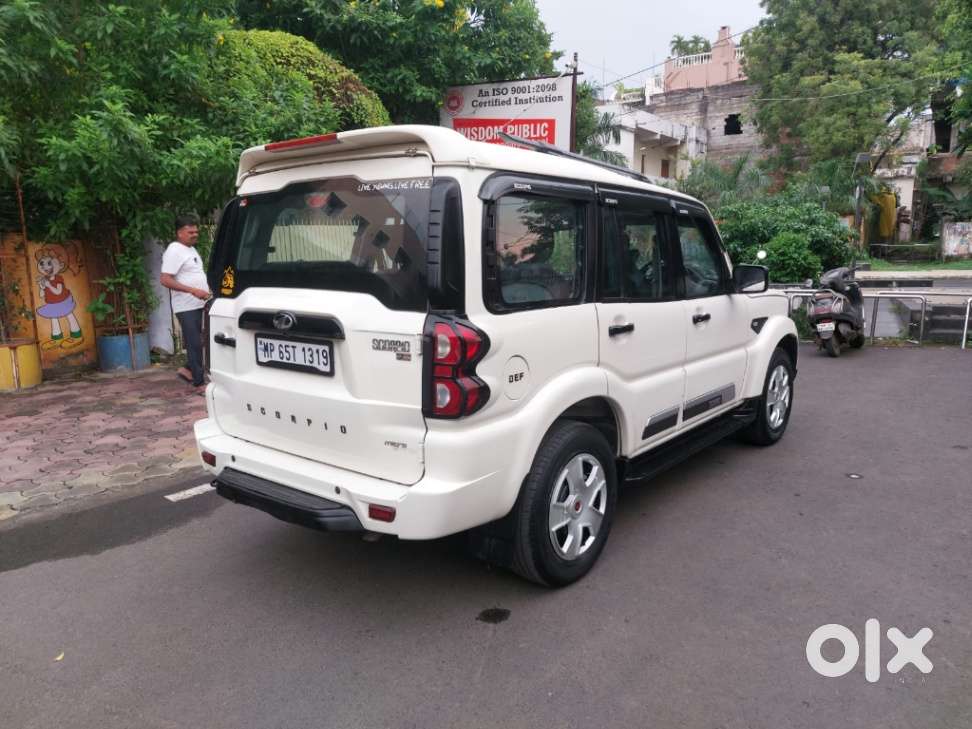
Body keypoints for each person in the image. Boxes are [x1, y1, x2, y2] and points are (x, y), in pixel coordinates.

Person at [160, 214, 210, 393]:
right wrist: (193, 290)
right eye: (190, 232)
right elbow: (165, 279)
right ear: (179, 233)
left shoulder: (191, 249)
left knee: (202, 342)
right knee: (194, 343)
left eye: (196, 231)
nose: (195, 234)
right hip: (186, 306)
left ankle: (187, 369)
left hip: (199, 304)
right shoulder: (175, 249)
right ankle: (199, 382)